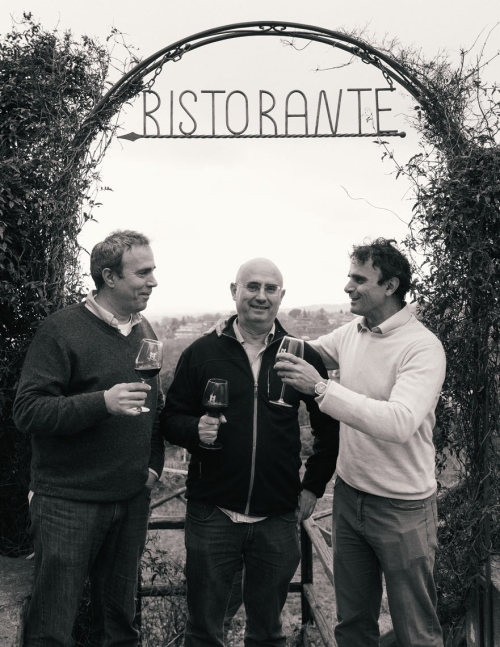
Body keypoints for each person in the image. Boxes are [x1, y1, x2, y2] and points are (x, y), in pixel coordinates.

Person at [275, 238, 446, 647]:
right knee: (352, 625)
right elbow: (309, 352)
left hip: (403, 508)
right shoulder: (354, 331)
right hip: (350, 500)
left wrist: (321, 390)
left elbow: (400, 422)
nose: (347, 287)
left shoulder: (422, 347)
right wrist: (245, 323)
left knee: (416, 631)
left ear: (390, 286)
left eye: (358, 279)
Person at [160, 257, 339, 647]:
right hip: (213, 513)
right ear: (234, 292)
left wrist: (312, 486)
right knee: (204, 630)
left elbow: (329, 427)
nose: (260, 296)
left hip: (276, 515)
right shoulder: (201, 353)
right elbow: (170, 417)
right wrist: (195, 430)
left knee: (267, 633)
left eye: (270, 288)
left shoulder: (301, 356)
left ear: (281, 296)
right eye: (251, 287)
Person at [13, 230, 165, 646]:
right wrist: (102, 403)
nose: (153, 281)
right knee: (51, 629)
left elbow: (156, 408)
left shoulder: (145, 329)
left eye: (153, 271)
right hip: (68, 503)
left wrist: (152, 466)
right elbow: (28, 411)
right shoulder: (60, 330)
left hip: (130, 501)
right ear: (109, 277)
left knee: (119, 629)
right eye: (143, 272)